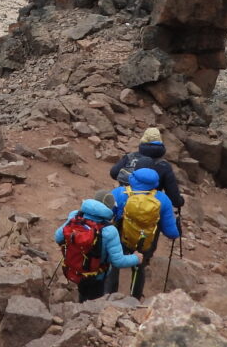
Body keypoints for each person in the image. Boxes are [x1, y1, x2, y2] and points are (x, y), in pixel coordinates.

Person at [107, 167, 181, 299]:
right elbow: (171, 233)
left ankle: (109, 295)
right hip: (145, 241)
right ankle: (134, 298)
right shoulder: (162, 199)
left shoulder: (120, 193)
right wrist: (177, 229)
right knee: (139, 268)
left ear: (132, 178)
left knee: (114, 263)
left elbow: (106, 216)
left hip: (121, 237)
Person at [55, 196, 141, 302]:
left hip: (73, 268)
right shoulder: (109, 230)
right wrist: (136, 258)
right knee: (94, 299)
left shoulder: (74, 217)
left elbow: (58, 237)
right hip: (96, 276)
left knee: (82, 292)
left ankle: (80, 306)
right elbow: (118, 261)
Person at [110, 127, 185, 211]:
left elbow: (113, 173)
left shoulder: (130, 157)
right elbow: (174, 198)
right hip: (149, 210)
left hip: (125, 204)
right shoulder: (164, 166)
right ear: (160, 143)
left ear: (143, 141)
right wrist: (180, 201)